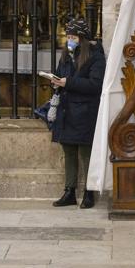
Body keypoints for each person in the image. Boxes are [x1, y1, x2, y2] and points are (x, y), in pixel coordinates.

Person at [50, 18, 106, 209]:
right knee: (69, 151)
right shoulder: (66, 54)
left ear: (82, 38)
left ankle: (89, 193)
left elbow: (96, 84)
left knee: (85, 152)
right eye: (68, 36)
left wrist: (69, 83)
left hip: (84, 111)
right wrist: (56, 80)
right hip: (67, 111)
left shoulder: (95, 56)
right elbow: (61, 73)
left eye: (73, 37)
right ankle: (69, 191)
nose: (70, 40)